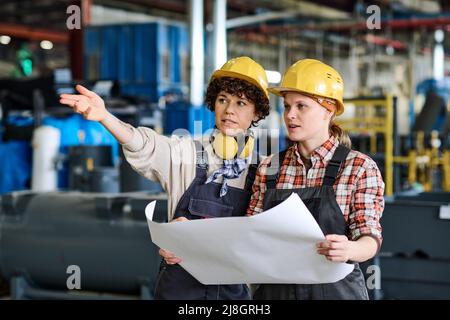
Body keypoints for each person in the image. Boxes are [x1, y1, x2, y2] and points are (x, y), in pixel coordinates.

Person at [59, 56, 271, 300]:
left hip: (231, 295)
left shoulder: (261, 169)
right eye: (223, 100)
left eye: (241, 103)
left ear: (257, 113)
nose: (229, 110)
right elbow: (143, 144)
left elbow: (260, 240)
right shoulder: (187, 153)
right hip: (179, 291)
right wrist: (106, 117)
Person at [247, 59, 385, 300]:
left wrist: (349, 249)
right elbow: (249, 234)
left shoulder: (358, 167)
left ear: (329, 110)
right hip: (275, 292)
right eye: (287, 105)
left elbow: (370, 236)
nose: (290, 115)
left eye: (302, 106)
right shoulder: (269, 167)